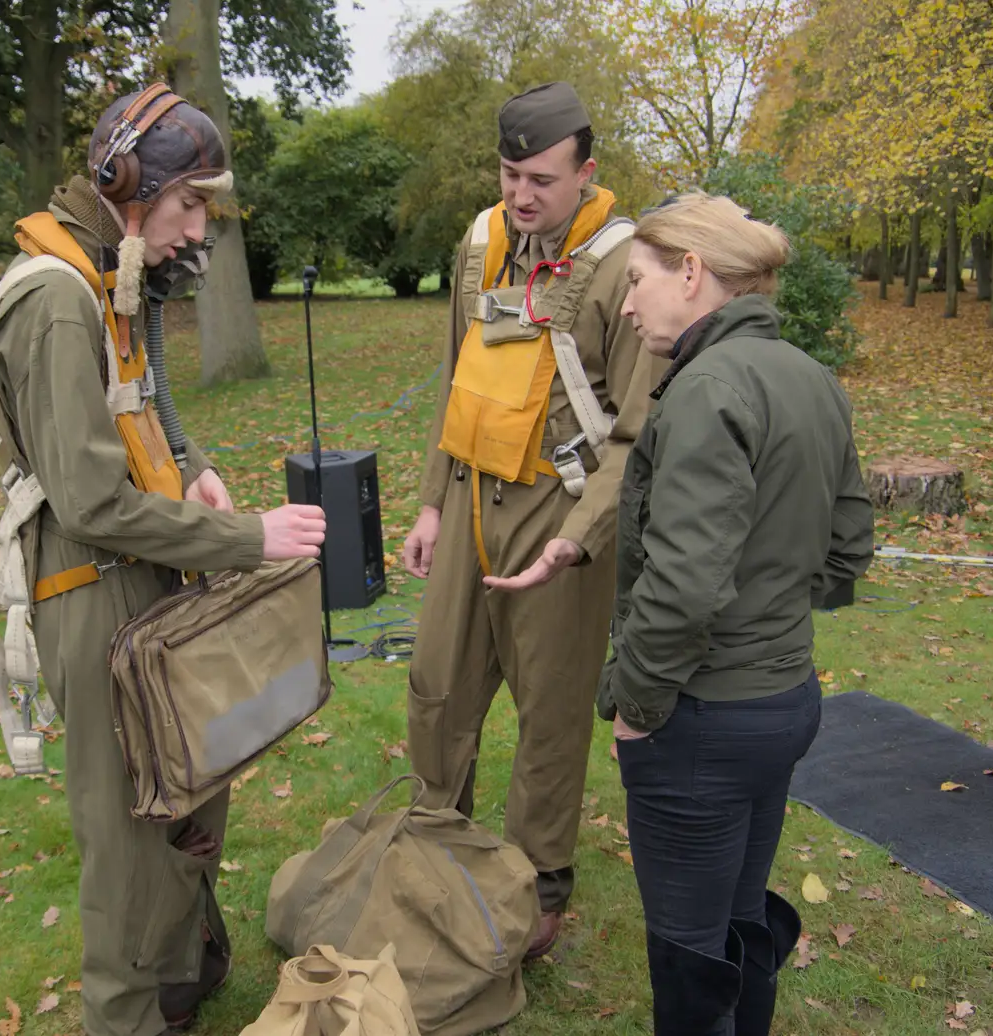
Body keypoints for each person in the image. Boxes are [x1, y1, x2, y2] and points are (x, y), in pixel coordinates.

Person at [0, 83, 326, 1036]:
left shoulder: (106, 276)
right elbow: (89, 499)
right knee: (129, 840)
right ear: (129, 186)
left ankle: (182, 973)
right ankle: (129, 1014)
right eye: (189, 205)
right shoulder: (55, 301)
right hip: (90, 588)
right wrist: (250, 538)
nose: (197, 229)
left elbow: (135, 412)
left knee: (189, 782)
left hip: (141, 572)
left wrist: (198, 468)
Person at [401, 81, 669, 959]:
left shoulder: (628, 267)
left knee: (549, 711)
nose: (521, 195)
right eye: (510, 173)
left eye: (542, 179)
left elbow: (634, 431)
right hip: (474, 496)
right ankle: (439, 848)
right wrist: (433, 503)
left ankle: (539, 880)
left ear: (587, 172)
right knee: (437, 685)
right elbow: (456, 379)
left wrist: (576, 540)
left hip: (561, 510)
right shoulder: (483, 241)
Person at [598, 192, 874, 1035]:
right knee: (737, 921)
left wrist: (637, 709)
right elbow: (847, 547)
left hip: (704, 723)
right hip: (786, 703)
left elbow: (682, 587)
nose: (628, 301)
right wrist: (771, 608)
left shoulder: (706, 387)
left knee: (689, 957)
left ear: (692, 272)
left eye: (639, 279)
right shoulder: (811, 378)